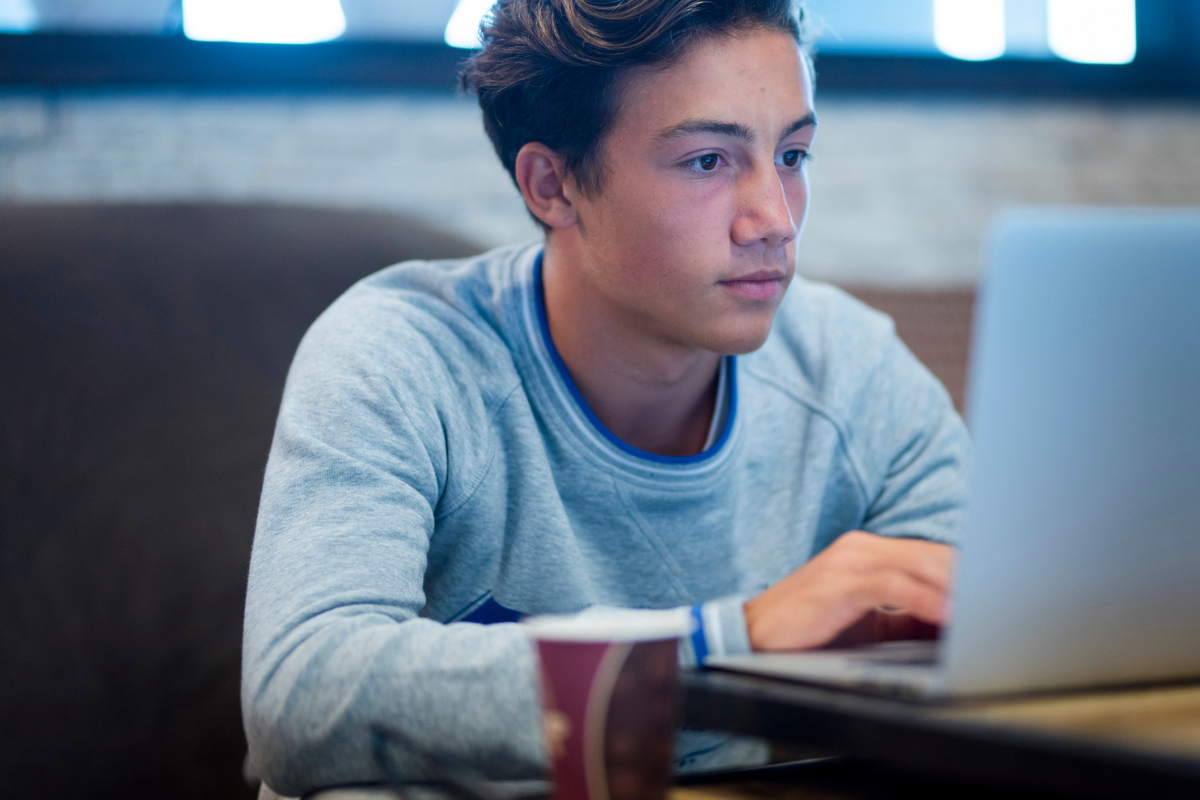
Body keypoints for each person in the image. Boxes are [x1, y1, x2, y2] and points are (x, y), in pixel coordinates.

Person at [241, 0, 969, 795]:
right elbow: (300, 700)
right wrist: (731, 641)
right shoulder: (399, 355)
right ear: (553, 185)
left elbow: (1009, 639)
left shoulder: (852, 369)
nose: (775, 220)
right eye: (708, 162)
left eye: (793, 155)